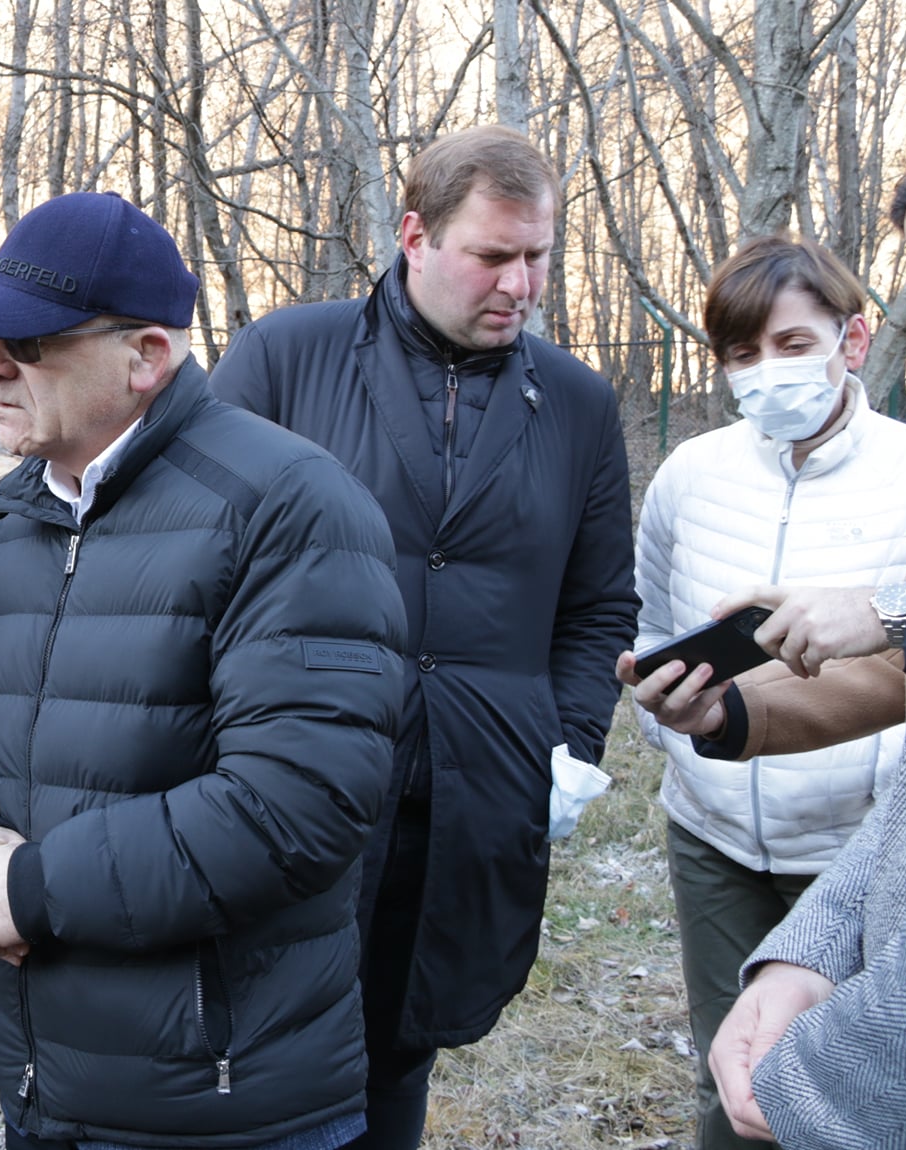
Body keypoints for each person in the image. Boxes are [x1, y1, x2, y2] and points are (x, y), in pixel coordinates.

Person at [0, 191, 408, 1150]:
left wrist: (32, 889)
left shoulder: (289, 506)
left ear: (145, 356)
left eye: (26, 342)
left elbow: (299, 804)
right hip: (45, 1087)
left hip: (226, 1108)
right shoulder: (20, 515)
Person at [207, 125, 638, 1149]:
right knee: (258, 1044)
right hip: (293, 783)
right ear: (414, 235)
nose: (519, 284)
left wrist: (565, 749)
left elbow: (596, 608)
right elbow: (198, 559)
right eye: (492, 255)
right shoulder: (286, 358)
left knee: (399, 1050)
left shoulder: (577, 405)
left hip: (471, 793)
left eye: (536, 256)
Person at [628, 151, 906, 1150]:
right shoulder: (687, 475)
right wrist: (698, 721)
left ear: (852, 339)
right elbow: (650, 618)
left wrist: (885, 611)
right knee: (732, 1086)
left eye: (792, 343)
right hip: (713, 835)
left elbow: (905, 672)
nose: (766, 371)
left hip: (859, 846)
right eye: (740, 353)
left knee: (837, 1103)